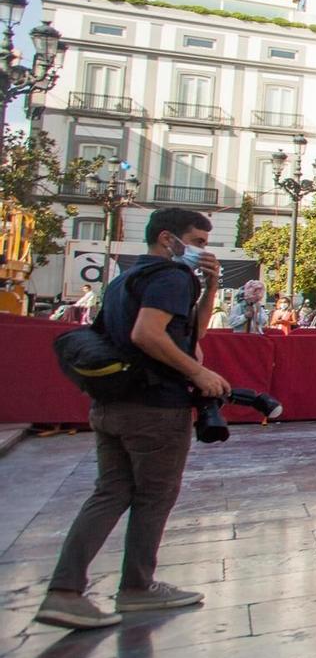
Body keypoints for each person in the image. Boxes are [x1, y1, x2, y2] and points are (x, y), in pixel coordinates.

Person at [35, 207, 224, 630]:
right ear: (168, 240)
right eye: (197, 243)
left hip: (113, 404)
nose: (203, 252)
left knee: (110, 492)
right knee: (154, 496)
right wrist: (198, 373)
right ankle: (137, 587)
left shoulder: (126, 279)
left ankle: (65, 590)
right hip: (154, 405)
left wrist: (210, 286)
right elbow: (148, 334)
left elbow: (192, 333)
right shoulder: (172, 277)